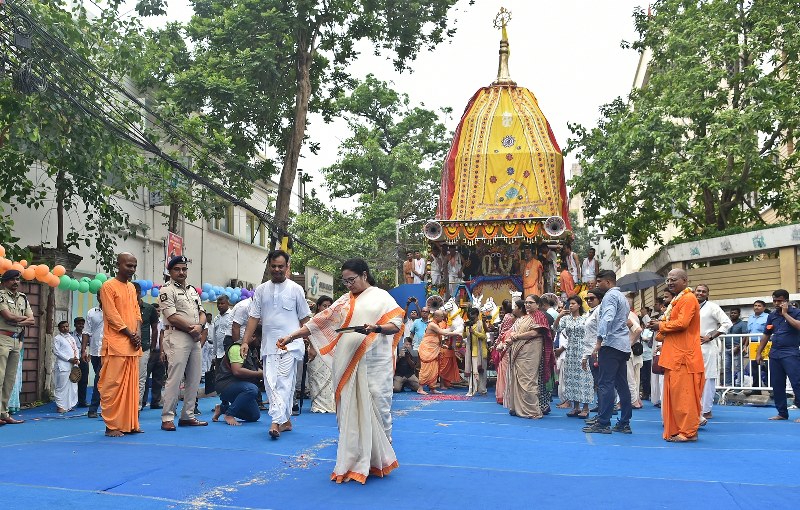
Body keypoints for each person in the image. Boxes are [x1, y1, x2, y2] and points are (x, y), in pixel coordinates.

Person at [277, 258, 404, 484]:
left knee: (378, 406)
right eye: (345, 282)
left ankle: (381, 459)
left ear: (364, 275)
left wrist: (375, 328)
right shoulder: (345, 301)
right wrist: (291, 336)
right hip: (349, 362)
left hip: (375, 362)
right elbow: (319, 322)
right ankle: (356, 459)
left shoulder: (381, 297)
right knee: (349, 409)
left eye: (351, 280)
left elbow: (395, 324)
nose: (348, 285)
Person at [241, 249, 311, 439]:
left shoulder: (296, 289)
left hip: (292, 345)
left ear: (288, 267)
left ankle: (274, 422)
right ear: (269, 266)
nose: (277, 269)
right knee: (272, 382)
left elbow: (306, 319)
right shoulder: (261, 290)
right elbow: (253, 318)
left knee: (283, 381)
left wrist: (311, 344)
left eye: (281, 266)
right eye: (274, 266)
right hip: (268, 346)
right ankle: (285, 421)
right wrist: (245, 341)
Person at [646, 269, 703, 442]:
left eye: (674, 280)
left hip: (684, 357)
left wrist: (661, 326)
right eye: (668, 280)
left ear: (685, 281)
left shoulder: (688, 298)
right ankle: (679, 430)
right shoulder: (678, 299)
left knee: (684, 396)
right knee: (675, 396)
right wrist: (659, 325)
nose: (670, 283)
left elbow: (683, 323)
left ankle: (688, 432)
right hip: (675, 355)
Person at [97, 253, 143, 437]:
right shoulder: (108, 286)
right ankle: (111, 426)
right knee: (112, 386)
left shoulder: (132, 287)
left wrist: (138, 333)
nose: (132, 269)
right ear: (118, 265)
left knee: (131, 387)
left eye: (134, 266)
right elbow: (111, 314)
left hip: (132, 344)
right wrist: (130, 333)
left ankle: (129, 424)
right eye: (128, 266)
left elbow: (137, 312)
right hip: (116, 344)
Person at [159, 255, 207, 431]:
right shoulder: (166, 290)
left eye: (184, 269)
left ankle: (188, 415)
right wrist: (193, 329)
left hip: (194, 336)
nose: (181, 272)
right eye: (177, 269)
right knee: (175, 378)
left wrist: (200, 326)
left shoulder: (192, 290)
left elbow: (202, 312)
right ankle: (167, 417)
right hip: (177, 336)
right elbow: (171, 316)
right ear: (170, 271)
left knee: (194, 378)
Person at [583, 270, 633, 434]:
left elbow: (608, 318)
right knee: (621, 384)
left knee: (606, 384)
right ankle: (624, 422)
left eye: (599, 281)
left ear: (608, 282)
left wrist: (599, 341)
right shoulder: (623, 298)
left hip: (611, 345)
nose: (597, 285)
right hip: (622, 346)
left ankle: (603, 422)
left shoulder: (610, 297)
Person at [755, 289, 800, 422]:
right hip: (775, 353)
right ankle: (782, 413)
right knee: (777, 384)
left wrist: (785, 313)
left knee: (797, 382)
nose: (776, 303)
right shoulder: (772, 315)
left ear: (786, 300)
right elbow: (766, 334)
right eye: (774, 300)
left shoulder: (796, 313)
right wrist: (759, 352)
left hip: (790, 352)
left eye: (779, 301)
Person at [505, 295, 551, 419]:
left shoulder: (540, 316)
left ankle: (532, 410)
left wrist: (517, 337)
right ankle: (517, 407)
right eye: (526, 302)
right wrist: (513, 335)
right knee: (518, 378)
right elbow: (513, 330)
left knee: (528, 380)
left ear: (538, 304)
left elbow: (535, 333)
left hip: (531, 352)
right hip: (519, 352)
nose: (527, 305)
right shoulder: (523, 318)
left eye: (531, 302)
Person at [0, 270, 34, 426]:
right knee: (0, 377)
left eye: (17, 279)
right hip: (2, 338)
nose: (15, 282)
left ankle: (3, 412)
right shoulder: (1, 295)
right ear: (5, 281)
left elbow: (32, 320)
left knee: (10, 380)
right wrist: (21, 320)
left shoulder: (23, 298)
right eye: (12, 279)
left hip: (15, 341)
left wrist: (17, 322)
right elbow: (8, 316)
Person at [694, 284, 731, 422]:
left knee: (708, 377)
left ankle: (706, 410)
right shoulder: (690, 305)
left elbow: (726, 323)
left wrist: (711, 336)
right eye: (698, 291)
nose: (700, 293)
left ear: (707, 293)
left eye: (703, 291)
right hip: (691, 347)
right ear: (694, 292)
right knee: (694, 378)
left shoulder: (712, 307)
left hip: (707, 346)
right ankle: (696, 408)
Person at [212, 326, 263, 426]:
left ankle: (222, 408)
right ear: (253, 336)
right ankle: (229, 414)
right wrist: (259, 374)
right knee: (252, 389)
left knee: (254, 416)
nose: (260, 343)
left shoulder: (252, 350)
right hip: (226, 384)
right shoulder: (237, 348)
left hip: (240, 385)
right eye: (260, 339)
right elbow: (237, 371)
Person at [555, 295, 591, 418]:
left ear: (579, 305)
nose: (571, 306)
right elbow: (555, 328)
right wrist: (559, 316)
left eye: (573, 303)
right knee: (571, 378)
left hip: (582, 349)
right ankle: (576, 407)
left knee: (584, 377)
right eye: (569, 304)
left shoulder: (585, 319)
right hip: (570, 351)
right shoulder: (566, 319)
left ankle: (586, 408)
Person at [132, 282, 159, 410]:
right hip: (126, 348)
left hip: (143, 348)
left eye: (134, 291)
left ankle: (136, 407)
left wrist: (153, 347)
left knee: (141, 378)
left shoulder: (149, 309)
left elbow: (155, 328)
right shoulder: (125, 307)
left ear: (139, 292)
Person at [307, 295, 335, 413]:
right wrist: (311, 348)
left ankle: (329, 405)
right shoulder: (312, 320)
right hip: (315, 352)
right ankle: (317, 405)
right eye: (324, 306)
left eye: (329, 306)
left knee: (329, 379)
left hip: (330, 352)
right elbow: (307, 333)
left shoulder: (334, 321)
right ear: (318, 307)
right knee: (317, 378)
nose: (327, 308)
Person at [419, 309, 456, 393]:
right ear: (436, 316)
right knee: (426, 369)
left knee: (435, 368)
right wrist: (456, 332)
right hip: (428, 350)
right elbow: (444, 333)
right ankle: (420, 388)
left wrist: (452, 328)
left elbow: (443, 333)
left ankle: (433, 388)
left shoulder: (437, 324)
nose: (443, 317)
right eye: (442, 316)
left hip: (434, 350)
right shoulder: (432, 324)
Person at [82, 299, 104, 419]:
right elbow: (86, 332)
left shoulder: (115, 310)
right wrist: (83, 350)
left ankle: (93, 408)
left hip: (109, 352)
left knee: (99, 379)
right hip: (95, 351)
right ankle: (104, 406)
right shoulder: (92, 312)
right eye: (99, 296)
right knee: (101, 380)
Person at [52, 320, 80, 413]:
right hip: (63, 365)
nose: (65, 328)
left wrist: (76, 359)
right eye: (63, 327)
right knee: (61, 386)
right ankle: (60, 406)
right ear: (59, 329)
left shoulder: (71, 338)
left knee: (72, 386)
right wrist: (69, 359)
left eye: (67, 326)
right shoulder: (57, 338)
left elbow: (76, 349)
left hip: (73, 365)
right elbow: (56, 352)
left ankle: (69, 405)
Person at [493, 299, 517, 405]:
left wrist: (495, 343)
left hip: (505, 342)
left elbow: (502, 331)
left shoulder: (507, 317)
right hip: (510, 342)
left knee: (503, 371)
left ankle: (503, 394)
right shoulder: (514, 317)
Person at [464, 307, 488, 397]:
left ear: (477, 315)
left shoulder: (481, 324)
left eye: (472, 315)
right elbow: (464, 336)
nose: (471, 317)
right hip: (470, 351)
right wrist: (464, 328)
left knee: (479, 372)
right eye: (469, 315)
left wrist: (473, 332)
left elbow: (484, 336)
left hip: (480, 351)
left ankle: (481, 389)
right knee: (472, 372)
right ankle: (471, 390)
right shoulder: (469, 324)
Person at [747, 300, 769, 388]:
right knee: (754, 367)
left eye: (759, 306)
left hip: (765, 344)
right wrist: (745, 345)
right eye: (755, 305)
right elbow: (748, 333)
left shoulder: (768, 317)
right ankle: (756, 388)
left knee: (768, 366)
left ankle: (770, 387)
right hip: (753, 344)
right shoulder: (750, 318)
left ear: (764, 308)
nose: (756, 307)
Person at [725, 307, 748, 387]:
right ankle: (728, 384)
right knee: (726, 367)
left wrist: (738, 347)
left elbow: (745, 336)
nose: (733, 314)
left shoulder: (743, 324)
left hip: (737, 349)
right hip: (727, 349)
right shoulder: (727, 323)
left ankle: (739, 385)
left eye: (735, 313)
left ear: (739, 314)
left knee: (738, 368)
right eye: (731, 313)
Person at [71, 317, 89, 408]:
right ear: (74, 324)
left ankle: (82, 401)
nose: (81, 325)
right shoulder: (71, 335)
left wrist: (89, 356)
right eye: (79, 323)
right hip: (74, 360)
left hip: (84, 360)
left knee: (84, 380)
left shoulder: (88, 335)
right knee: (73, 379)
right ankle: (72, 401)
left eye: (82, 324)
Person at [211, 295, 233, 362]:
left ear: (228, 304)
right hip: (218, 354)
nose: (220, 305)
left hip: (229, 353)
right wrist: (214, 355)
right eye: (218, 304)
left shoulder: (232, 315)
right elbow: (215, 337)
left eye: (222, 303)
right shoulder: (216, 318)